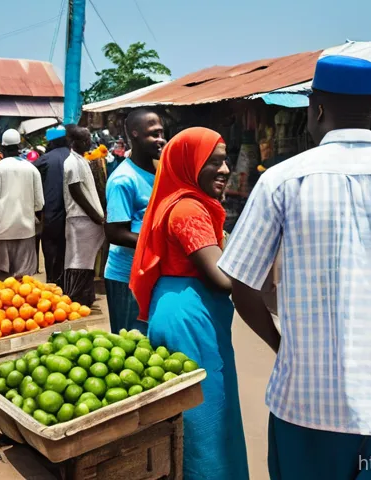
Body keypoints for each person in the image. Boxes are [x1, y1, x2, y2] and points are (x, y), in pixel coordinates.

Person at [218, 56, 371, 479]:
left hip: (304, 406)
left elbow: (241, 285)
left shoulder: (282, 180)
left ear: (317, 110)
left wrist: (284, 347)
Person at [129, 127, 247, 480]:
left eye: (225, 161)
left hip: (182, 305)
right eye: (213, 162)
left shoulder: (185, 202)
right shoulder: (189, 209)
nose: (224, 170)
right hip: (190, 315)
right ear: (188, 164)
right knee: (206, 415)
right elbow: (221, 279)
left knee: (201, 409)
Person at [104, 109, 166, 334]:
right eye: (153, 134)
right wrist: (158, 245)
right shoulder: (123, 179)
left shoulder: (160, 170)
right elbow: (115, 233)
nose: (160, 139)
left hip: (153, 271)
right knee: (131, 342)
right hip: (127, 276)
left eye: (161, 132)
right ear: (135, 134)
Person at [0, 129, 44, 280]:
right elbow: (39, 205)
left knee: (1, 280)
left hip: (2, 231)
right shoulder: (32, 169)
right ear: (19, 146)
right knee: (23, 281)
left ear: (2, 148)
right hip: (26, 231)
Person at [63, 125, 105, 307]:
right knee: (79, 259)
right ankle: (76, 297)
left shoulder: (82, 160)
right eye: (84, 140)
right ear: (74, 142)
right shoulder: (71, 162)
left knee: (86, 260)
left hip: (87, 219)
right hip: (81, 219)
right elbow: (76, 192)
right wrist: (96, 216)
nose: (89, 143)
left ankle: (85, 296)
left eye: (88, 139)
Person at [33, 126, 70, 284]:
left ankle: (51, 281)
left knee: (50, 249)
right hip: (73, 214)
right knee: (66, 251)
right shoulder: (76, 158)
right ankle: (64, 283)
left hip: (50, 213)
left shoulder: (44, 160)